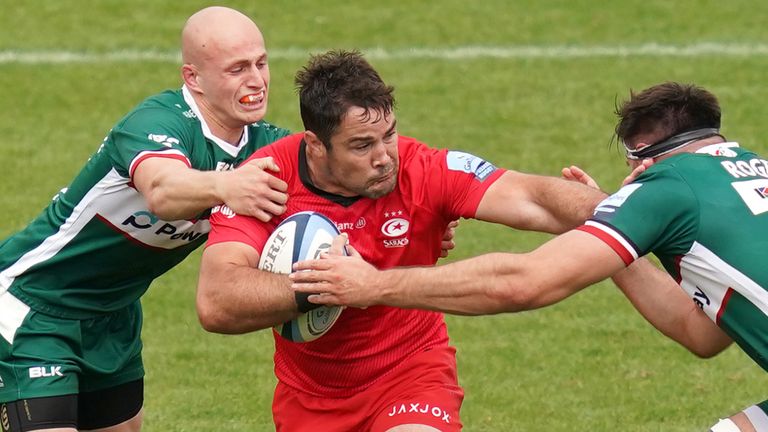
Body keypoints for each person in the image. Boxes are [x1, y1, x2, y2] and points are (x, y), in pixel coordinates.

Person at [291, 82, 768, 431]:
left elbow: (522, 281)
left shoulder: (667, 187)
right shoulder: (750, 172)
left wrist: (371, 285)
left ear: (642, 160)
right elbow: (702, 331)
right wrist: (608, 232)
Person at [196, 49, 606, 431]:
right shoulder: (265, 182)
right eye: (362, 145)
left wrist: (627, 208)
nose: (384, 156)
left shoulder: (420, 168)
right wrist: (325, 284)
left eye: (388, 135)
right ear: (316, 146)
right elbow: (216, 302)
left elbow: (533, 198)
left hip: (412, 374)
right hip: (310, 397)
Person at [0, 7, 291, 432]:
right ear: (193, 78)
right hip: (35, 305)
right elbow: (163, 192)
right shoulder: (156, 123)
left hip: (115, 317)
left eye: (261, 63)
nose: (256, 80)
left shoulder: (267, 146)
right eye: (237, 69)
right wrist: (226, 186)